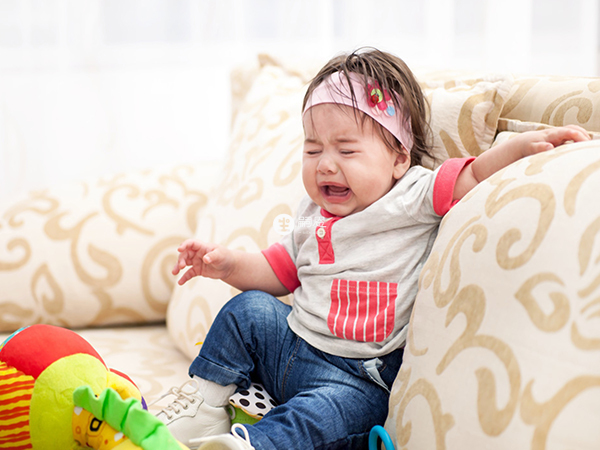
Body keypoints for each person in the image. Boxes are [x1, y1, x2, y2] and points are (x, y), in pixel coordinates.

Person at [156, 48, 590, 450]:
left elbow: (472, 177)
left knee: (322, 415)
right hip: (291, 346)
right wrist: (227, 264)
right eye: (313, 149)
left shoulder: (411, 195)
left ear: (399, 157)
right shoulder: (312, 211)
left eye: (346, 149)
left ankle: (256, 443)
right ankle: (206, 407)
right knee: (248, 309)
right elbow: (279, 270)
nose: (326, 163)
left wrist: (518, 149)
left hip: (354, 379)